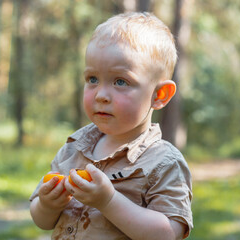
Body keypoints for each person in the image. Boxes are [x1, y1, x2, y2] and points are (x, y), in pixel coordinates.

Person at [30, 12, 193, 240]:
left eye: (120, 81)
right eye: (93, 79)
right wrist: (47, 204)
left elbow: (167, 233)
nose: (101, 95)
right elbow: (43, 221)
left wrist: (108, 201)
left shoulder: (163, 162)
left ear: (159, 94)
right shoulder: (74, 148)